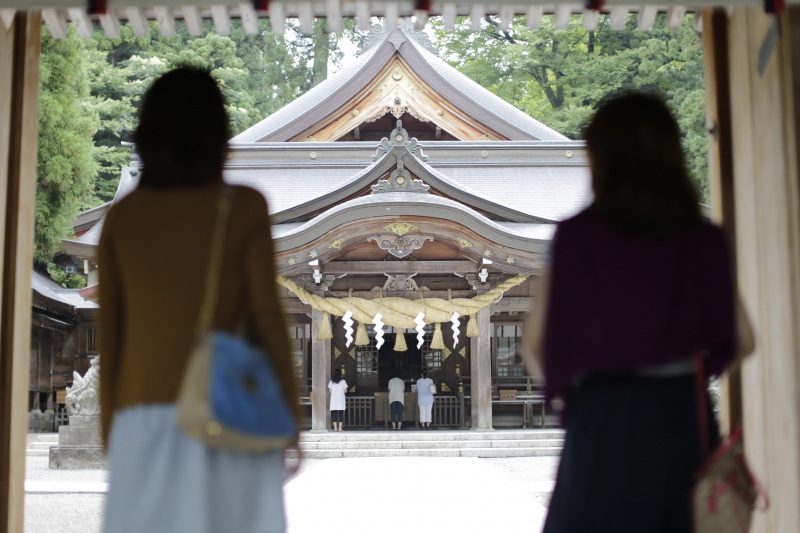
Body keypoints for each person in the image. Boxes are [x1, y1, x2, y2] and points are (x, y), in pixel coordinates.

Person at [523, 91, 755, 532]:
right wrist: (691, 369)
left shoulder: (575, 239)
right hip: (679, 415)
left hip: (602, 418)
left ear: (599, 159)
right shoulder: (703, 239)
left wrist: (573, 389)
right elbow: (742, 339)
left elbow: (536, 344)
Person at [98, 68, 300, 533]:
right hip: (227, 409)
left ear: (146, 133)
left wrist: (114, 430)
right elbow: (269, 321)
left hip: (140, 412)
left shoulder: (124, 218)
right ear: (218, 134)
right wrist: (288, 418)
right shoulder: (243, 207)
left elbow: (114, 336)